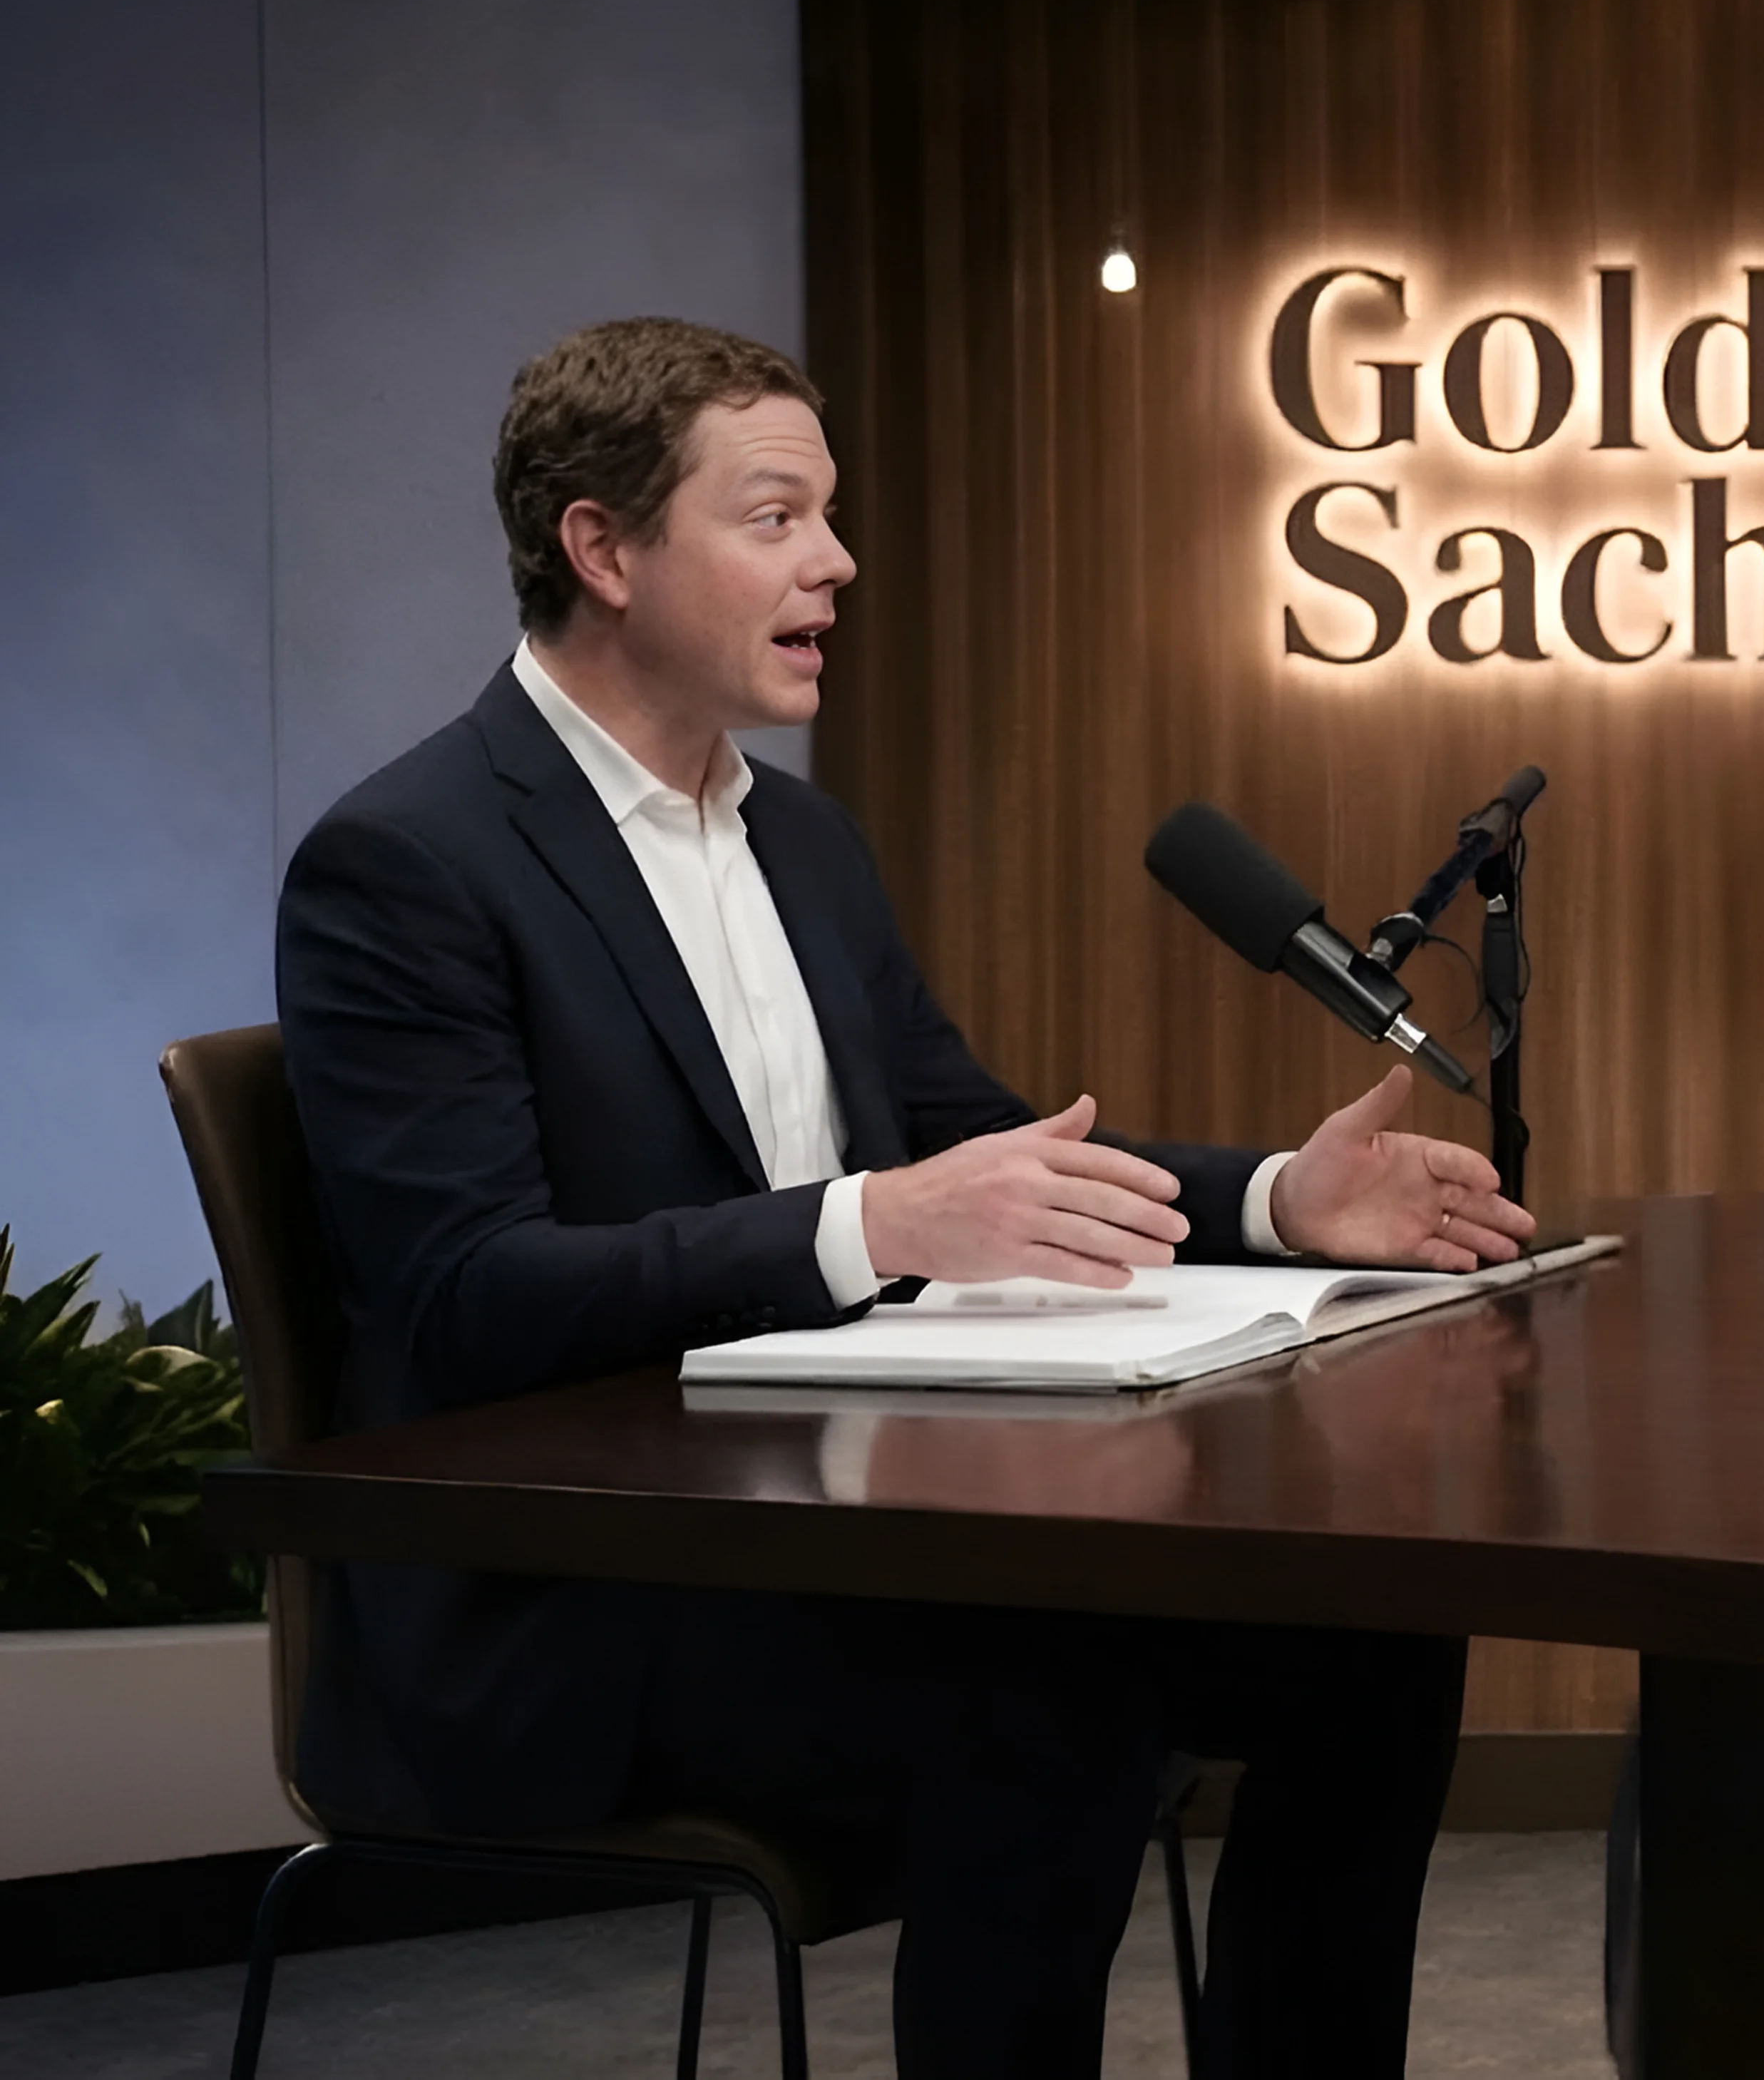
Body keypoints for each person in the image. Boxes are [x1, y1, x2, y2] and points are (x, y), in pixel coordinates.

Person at [276, 317, 1539, 2078]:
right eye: (777, 518)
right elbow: (468, 1297)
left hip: (839, 1534)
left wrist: (1276, 1200)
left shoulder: (806, 842)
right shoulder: (407, 863)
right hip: (575, 1601)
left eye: (830, 514)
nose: (838, 562)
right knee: (1048, 1686)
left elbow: (981, 1149)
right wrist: (867, 1227)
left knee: (1371, 1640)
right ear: (603, 549)